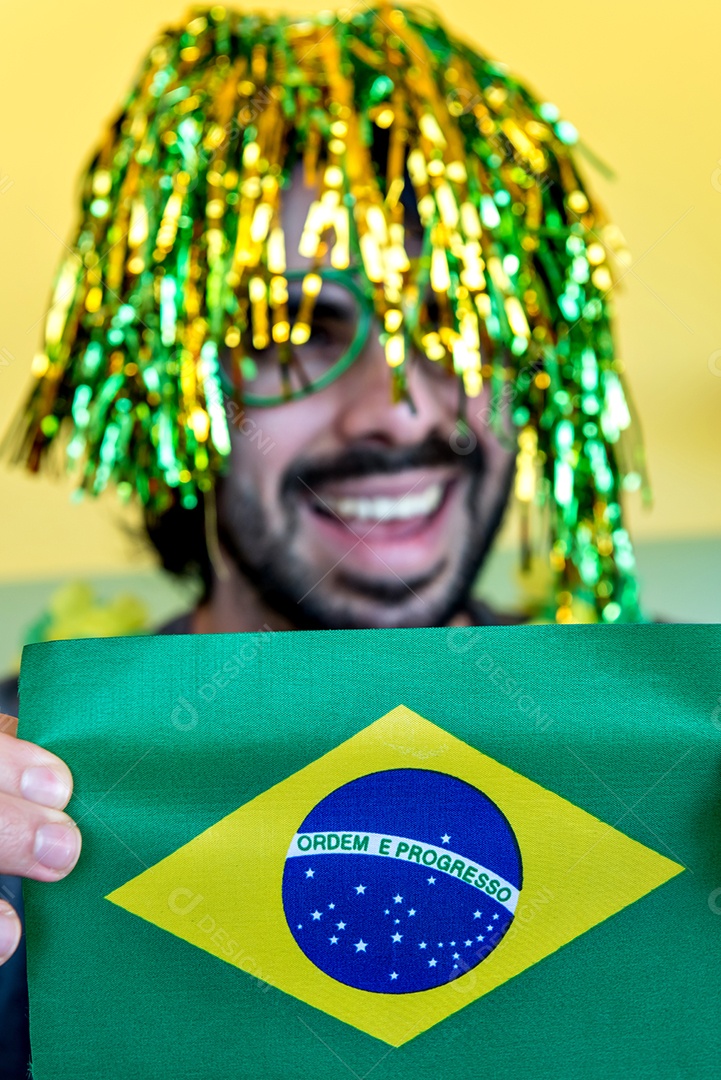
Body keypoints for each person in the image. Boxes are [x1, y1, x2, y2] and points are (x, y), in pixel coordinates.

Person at [0, 4, 647, 1072]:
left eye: (452, 324)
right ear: (171, 384)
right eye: (298, 330)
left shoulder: (660, 752)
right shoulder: (33, 787)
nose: (395, 411)